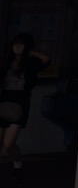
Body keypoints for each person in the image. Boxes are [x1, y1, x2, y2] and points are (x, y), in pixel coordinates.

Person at [1, 34, 52, 171]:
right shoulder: (6, 61)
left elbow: (46, 59)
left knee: (8, 144)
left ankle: (17, 162)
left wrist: (30, 52)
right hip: (3, 101)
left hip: (19, 103)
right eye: (15, 44)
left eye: (21, 45)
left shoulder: (30, 63)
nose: (17, 48)